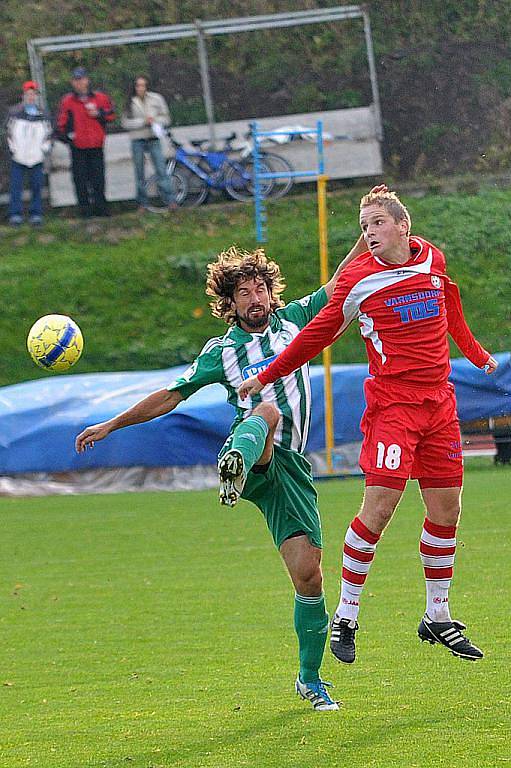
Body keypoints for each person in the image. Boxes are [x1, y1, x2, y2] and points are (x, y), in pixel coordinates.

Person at [75, 232, 369, 711]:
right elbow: (171, 396)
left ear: (271, 292)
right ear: (229, 303)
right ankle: (233, 464)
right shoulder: (221, 352)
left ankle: (310, 680)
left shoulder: (295, 319)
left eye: (260, 290)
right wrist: (111, 424)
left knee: (310, 576)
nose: (256, 300)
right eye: (244, 293)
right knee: (267, 411)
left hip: (289, 469)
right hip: (251, 446)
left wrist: (365, 237)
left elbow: (339, 283)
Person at [239, 188, 498, 666]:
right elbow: (316, 334)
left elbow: (451, 308)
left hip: (439, 405)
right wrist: (265, 374)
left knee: (447, 510)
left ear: (403, 225)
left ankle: (437, 614)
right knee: (379, 511)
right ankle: (347, 614)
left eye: (377, 223)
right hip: (393, 408)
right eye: (363, 226)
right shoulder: (358, 281)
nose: (369, 233)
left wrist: (478, 355)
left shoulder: (431, 259)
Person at [56, 67, 115, 218]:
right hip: (78, 147)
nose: (80, 83)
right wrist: (69, 139)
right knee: (80, 181)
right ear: (72, 82)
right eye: (76, 80)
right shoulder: (68, 101)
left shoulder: (99, 98)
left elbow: (111, 115)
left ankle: (101, 209)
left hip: (95, 145)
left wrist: (99, 114)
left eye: (82, 79)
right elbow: (61, 124)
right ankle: (85, 212)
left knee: (98, 179)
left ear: (87, 80)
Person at [121, 76, 176, 212]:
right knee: (139, 172)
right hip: (138, 139)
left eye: (143, 85)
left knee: (161, 170)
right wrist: (142, 122)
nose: (141, 88)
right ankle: (142, 203)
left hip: (153, 138)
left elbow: (166, 118)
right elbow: (125, 123)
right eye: (138, 86)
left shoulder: (156, 99)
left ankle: (170, 200)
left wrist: (154, 120)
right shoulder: (130, 101)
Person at [5, 81, 52, 226]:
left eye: (33, 94)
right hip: (18, 157)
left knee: (37, 186)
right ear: (23, 95)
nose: (31, 97)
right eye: (28, 94)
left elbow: (49, 135)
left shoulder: (43, 114)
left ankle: (36, 214)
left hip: (36, 158)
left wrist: (43, 150)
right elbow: (8, 133)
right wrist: (14, 150)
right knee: (16, 187)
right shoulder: (14, 113)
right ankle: (15, 214)